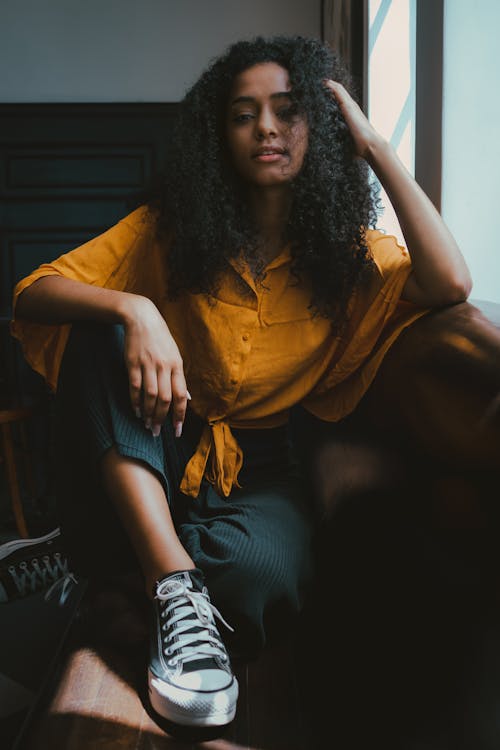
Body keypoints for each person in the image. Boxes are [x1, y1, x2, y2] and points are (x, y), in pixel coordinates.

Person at [10, 35, 472, 729]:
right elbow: (32, 292)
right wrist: (135, 309)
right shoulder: (169, 232)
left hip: (258, 470)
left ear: (321, 125)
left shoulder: (354, 257)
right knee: (101, 327)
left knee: (265, 583)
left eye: (289, 111)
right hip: (149, 443)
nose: (266, 129)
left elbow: (451, 283)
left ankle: (95, 563)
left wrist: (375, 145)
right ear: (218, 136)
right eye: (243, 114)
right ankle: (168, 583)